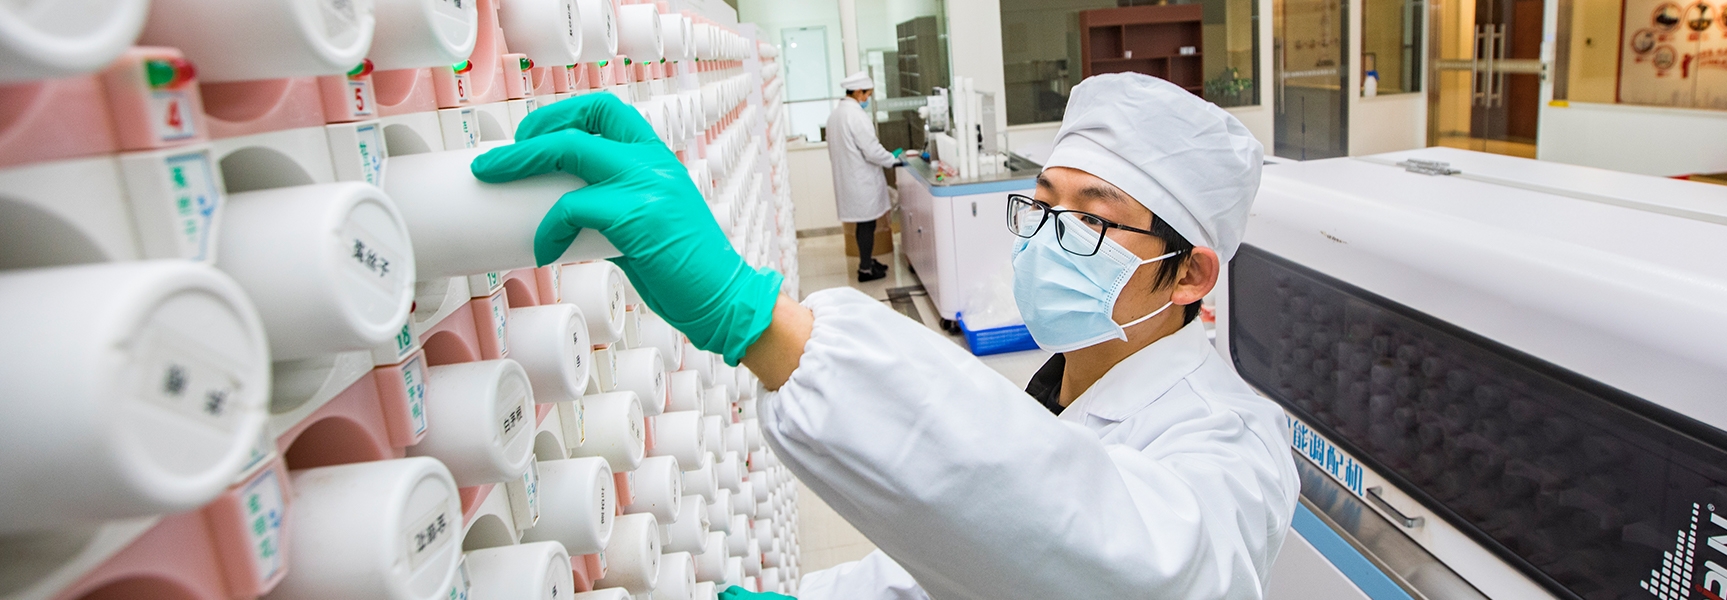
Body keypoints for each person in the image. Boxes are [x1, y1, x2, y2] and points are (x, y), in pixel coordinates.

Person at [471, 73, 1299, 600]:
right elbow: (974, 554)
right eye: (1043, 202)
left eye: (1092, 218)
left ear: (1189, 276)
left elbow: (1130, 566)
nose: (1048, 235)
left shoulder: (1233, 447)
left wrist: (756, 320)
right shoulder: (1062, 386)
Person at [825, 72, 903, 282]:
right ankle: (865, 269)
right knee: (867, 224)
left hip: (849, 178)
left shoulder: (835, 115)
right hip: (861, 180)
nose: (868, 98)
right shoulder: (856, 116)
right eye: (867, 94)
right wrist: (892, 160)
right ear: (859, 92)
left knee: (864, 224)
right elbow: (872, 150)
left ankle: (866, 261)